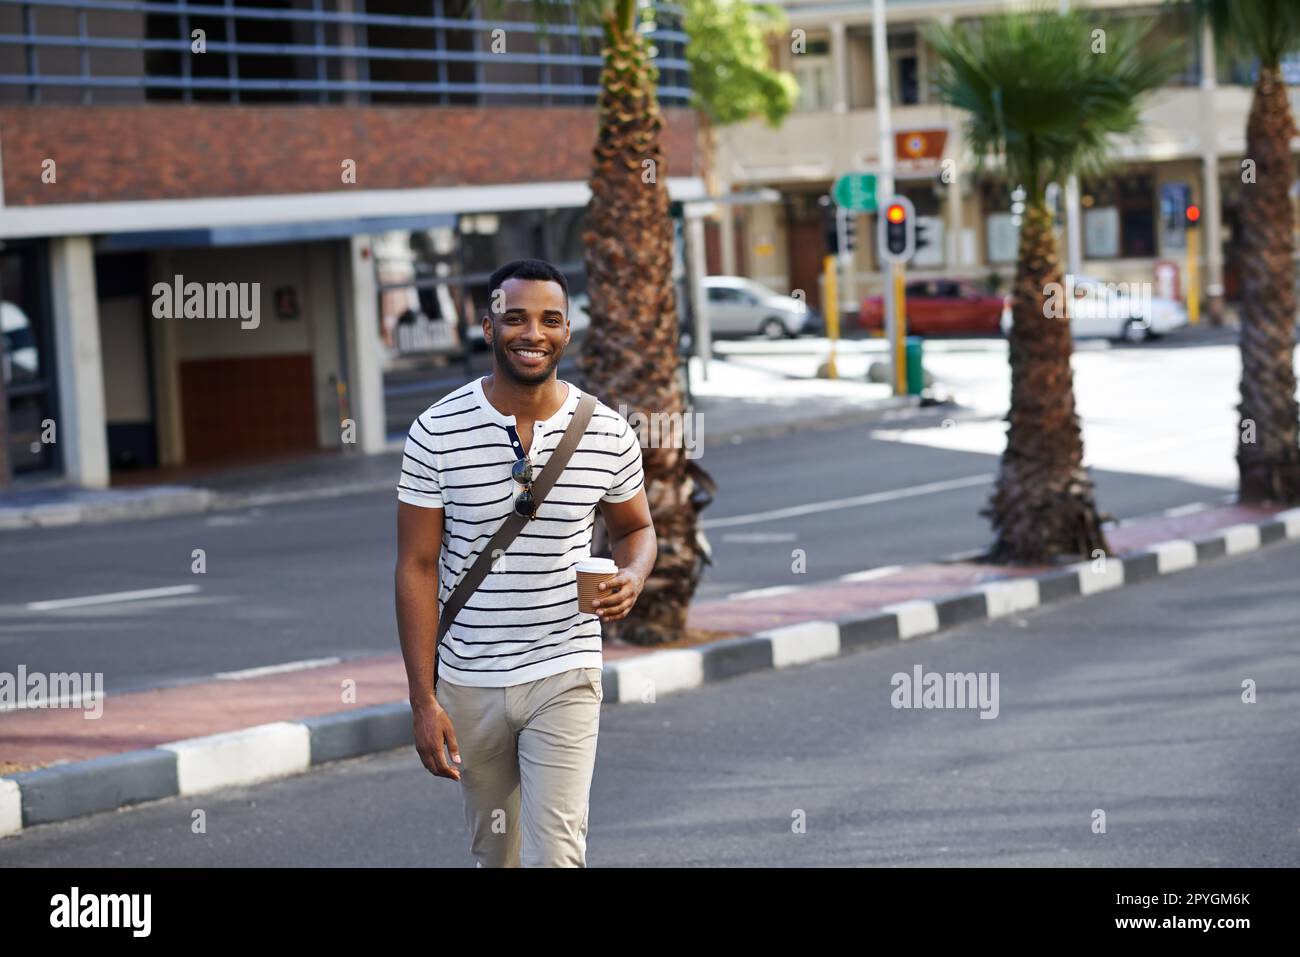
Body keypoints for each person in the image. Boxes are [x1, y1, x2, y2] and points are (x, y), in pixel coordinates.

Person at [394, 258, 657, 867]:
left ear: (567, 332)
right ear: (488, 328)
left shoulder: (608, 433)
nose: (531, 333)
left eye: (549, 320)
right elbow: (415, 565)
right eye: (514, 318)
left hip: (564, 668)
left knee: (557, 854)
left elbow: (636, 529)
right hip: (470, 679)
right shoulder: (435, 432)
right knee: (497, 855)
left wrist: (632, 575)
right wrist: (421, 701)